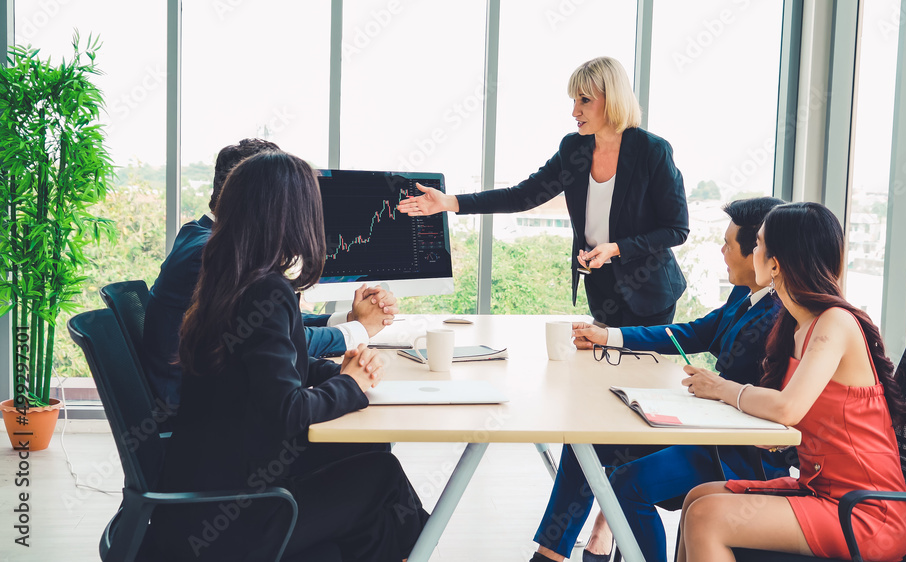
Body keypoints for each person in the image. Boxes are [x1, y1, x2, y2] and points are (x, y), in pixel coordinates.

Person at [148, 150, 427, 561]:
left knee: (369, 455)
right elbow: (286, 410)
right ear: (291, 216)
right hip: (236, 512)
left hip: (207, 494)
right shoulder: (265, 290)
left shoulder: (228, 277)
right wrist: (350, 385)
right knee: (381, 475)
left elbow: (264, 368)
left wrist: (341, 372)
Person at [528, 197, 788, 562]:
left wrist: (716, 389)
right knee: (585, 441)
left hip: (734, 453)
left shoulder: (779, 316)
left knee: (628, 485)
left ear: (758, 254)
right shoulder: (745, 294)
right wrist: (610, 336)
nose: (722, 250)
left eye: (729, 244)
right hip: (708, 430)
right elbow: (693, 332)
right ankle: (550, 555)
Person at [676, 202, 906, 562]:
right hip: (819, 489)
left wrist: (722, 388)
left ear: (774, 263)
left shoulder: (835, 322)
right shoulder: (795, 324)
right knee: (698, 497)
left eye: (757, 244)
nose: (752, 251)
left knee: (706, 518)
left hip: (866, 511)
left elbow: (788, 406)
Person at [397, 56, 688, 327]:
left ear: (611, 101)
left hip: (650, 294)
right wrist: (449, 202)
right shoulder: (574, 148)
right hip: (603, 293)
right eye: (574, 100)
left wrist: (616, 248)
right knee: (604, 375)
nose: (575, 111)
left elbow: (676, 229)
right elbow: (522, 196)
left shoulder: (652, 151)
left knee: (641, 379)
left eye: (584, 100)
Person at [144, 138, 398, 410]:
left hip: (219, 401)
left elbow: (273, 333)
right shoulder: (212, 256)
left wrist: (347, 324)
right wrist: (357, 334)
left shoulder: (204, 239)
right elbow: (279, 346)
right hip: (196, 408)